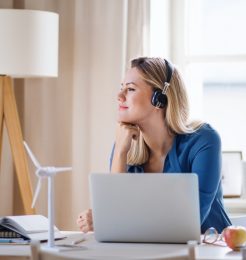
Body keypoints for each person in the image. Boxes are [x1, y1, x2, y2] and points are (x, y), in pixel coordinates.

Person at [77, 57, 231, 234]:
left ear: (160, 99)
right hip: (150, 251)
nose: (119, 96)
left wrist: (110, 220)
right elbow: (113, 222)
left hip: (207, 251)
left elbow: (190, 222)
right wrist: (120, 152)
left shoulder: (204, 140)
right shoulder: (125, 145)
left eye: (130, 89)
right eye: (122, 88)